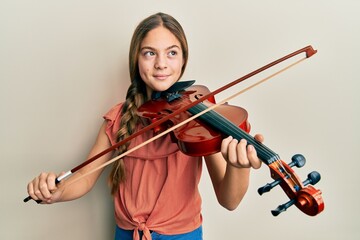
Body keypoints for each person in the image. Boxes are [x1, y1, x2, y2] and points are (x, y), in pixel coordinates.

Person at [27, 12, 263, 240]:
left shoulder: (201, 116)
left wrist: (237, 167)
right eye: (150, 53)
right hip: (127, 235)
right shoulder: (118, 118)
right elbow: (84, 179)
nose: (161, 64)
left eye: (171, 53)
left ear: (183, 59)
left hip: (183, 237)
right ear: (136, 59)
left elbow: (229, 200)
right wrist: (57, 192)